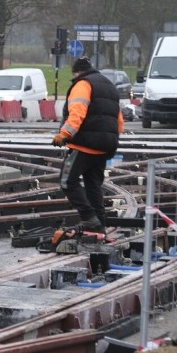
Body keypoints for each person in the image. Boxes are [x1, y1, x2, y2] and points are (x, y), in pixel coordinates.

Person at [52, 56, 124, 233]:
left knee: (67, 181)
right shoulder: (109, 86)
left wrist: (64, 134)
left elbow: (77, 111)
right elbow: (119, 121)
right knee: (93, 185)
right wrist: (108, 138)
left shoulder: (82, 84)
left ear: (77, 72)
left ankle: (88, 218)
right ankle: (100, 226)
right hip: (105, 146)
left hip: (84, 144)